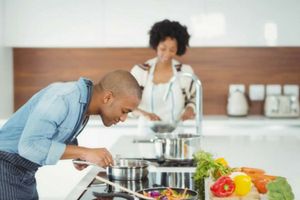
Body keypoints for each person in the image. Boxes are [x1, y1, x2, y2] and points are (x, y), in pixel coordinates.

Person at [0, 70, 141, 200]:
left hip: (24, 173)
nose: (123, 119)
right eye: (124, 111)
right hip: (5, 168)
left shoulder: (83, 103)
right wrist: (84, 153)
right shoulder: (63, 98)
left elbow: (54, 132)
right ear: (108, 97)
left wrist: (77, 154)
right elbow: (29, 146)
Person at [131, 19, 196, 125]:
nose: (167, 54)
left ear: (178, 49)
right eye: (163, 48)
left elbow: (195, 97)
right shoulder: (140, 72)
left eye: (172, 50)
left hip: (176, 133)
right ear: (156, 45)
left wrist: (190, 109)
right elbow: (126, 104)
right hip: (146, 134)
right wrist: (144, 113)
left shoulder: (185, 72)